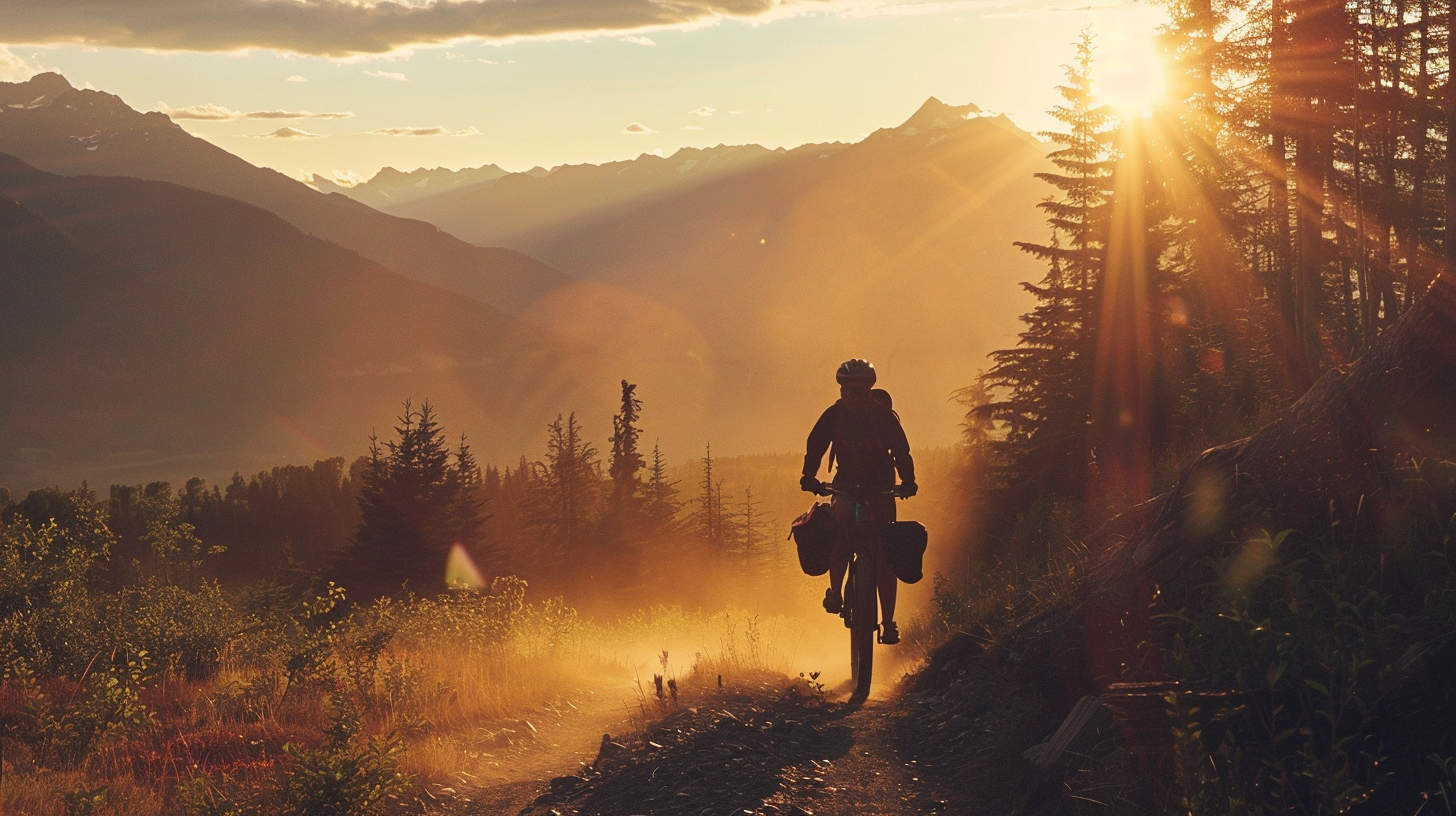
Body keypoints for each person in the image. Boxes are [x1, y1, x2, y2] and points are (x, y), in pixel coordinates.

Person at [800, 359, 917, 645]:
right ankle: (837, 595)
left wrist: (908, 480)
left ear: (869, 391)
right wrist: (808, 475)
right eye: (851, 391)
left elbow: (902, 450)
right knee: (841, 530)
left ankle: (888, 623)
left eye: (861, 391)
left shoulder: (883, 417)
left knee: (884, 550)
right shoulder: (834, 416)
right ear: (841, 391)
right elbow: (816, 445)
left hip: (881, 488)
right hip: (847, 486)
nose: (856, 396)